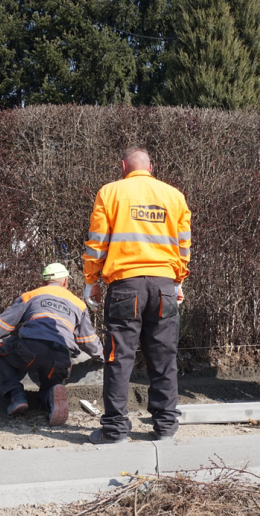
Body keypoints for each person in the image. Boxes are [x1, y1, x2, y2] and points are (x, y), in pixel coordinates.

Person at [83, 147, 191, 444]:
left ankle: (115, 431)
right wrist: (178, 280)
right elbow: (183, 244)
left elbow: (97, 242)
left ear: (123, 167)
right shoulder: (174, 196)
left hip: (125, 287)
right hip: (163, 286)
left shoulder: (110, 192)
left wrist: (91, 279)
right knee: (164, 358)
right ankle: (165, 427)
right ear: (151, 167)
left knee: (119, 359)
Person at [0, 263, 103, 426]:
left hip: (30, 350)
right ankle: (52, 396)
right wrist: (105, 357)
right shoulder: (79, 304)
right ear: (65, 282)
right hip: (61, 355)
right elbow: (87, 341)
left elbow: (2, 326)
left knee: (1, 347)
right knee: (50, 383)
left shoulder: (31, 295)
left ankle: (16, 396)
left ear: (43, 282)